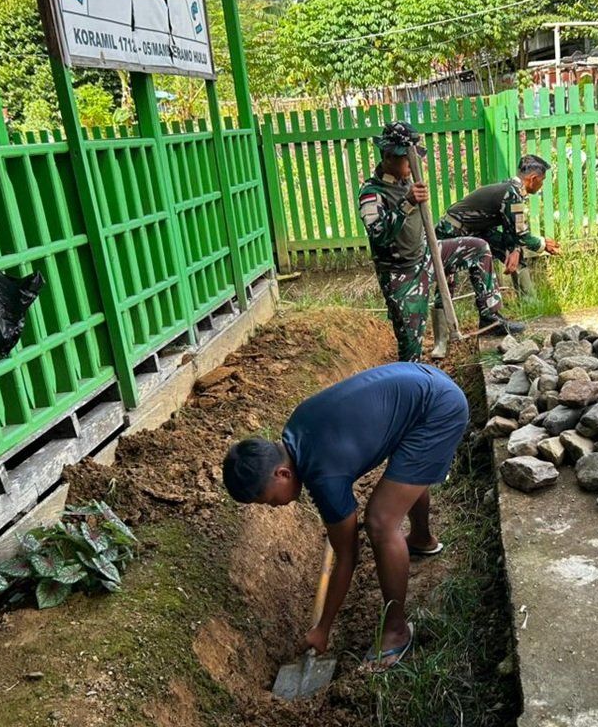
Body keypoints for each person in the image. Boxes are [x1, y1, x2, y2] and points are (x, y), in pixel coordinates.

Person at [222, 363, 469, 669]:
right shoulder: (295, 430)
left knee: (380, 521)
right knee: (405, 476)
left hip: (438, 410)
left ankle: (396, 630)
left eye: (270, 500)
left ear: (282, 474)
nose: (274, 507)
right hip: (425, 384)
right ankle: (421, 538)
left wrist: (323, 628)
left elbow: (348, 556)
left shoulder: (323, 474)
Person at [358, 122, 522, 362]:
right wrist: (406, 204)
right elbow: (378, 234)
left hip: (427, 254)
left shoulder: (406, 181)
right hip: (401, 275)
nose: (413, 163)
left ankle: (491, 316)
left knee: (478, 249)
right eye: (407, 158)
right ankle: (412, 381)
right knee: (411, 350)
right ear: (389, 156)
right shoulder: (372, 192)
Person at [436, 154, 561, 300]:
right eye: (542, 180)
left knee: (514, 254)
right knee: (448, 275)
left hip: (475, 230)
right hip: (453, 229)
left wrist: (514, 249)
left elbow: (511, 228)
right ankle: (442, 312)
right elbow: (522, 235)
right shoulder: (512, 194)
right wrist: (543, 244)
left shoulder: (512, 189)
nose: (542, 185)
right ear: (533, 179)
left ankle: (529, 303)